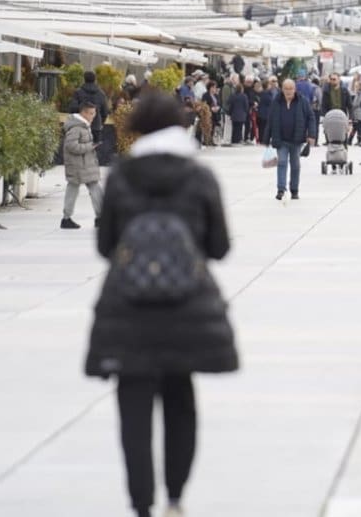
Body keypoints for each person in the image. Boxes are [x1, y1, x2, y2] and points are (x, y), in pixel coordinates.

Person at [83, 89, 238, 517]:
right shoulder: (199, 177)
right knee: (180, 403)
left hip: (129, 312)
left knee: (133, 412)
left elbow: (105, 246)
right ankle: (175, 498)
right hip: (185, 310)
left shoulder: (123, 177)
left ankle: (141, 504)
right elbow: (220, 247)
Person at [62, 101, 105, 230]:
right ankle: (67, 219)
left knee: (91, 189)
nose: (93, 116)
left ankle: (99, 218)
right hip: (78, 166)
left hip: (84, 165)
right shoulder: (76, 128)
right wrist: (90, 146)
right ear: (84, 113)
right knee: (78, 190)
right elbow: (71, 146)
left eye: (94, 113)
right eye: (91, 113)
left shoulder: (84, 126)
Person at [269, 78, 313, 201]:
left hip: (296, 140)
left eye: (291, 88)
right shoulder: (277, 101)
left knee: (295, 165)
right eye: (286, 89)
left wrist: (311, 135)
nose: (288, 91)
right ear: (282, 89)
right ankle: (281, 189)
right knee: (282, 162)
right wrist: (266, 137)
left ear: (295, 89)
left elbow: (311, 117)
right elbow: (271, 119)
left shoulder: (302, 101)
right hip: (281, 139)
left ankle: (294, 190)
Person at [72, 71, 111, 142]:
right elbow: (105, 112)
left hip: (80, 125)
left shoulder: (78, 92)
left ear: (84, 79)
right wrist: (101, 123)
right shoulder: (101, 94)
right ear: (95, 79)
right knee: (94, 147)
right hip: (96, 126)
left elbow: (73, 108)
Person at [226, 79, 250, 146]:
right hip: (242, 114)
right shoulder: (244, 96)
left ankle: (233, 140)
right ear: (241, 89)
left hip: (234, 114)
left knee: (234, 127)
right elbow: (246, 106)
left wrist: (230, 111)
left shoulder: (233, 95)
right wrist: (246, 112)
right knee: (240, 128)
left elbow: (228, 102)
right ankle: (238, 140)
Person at [256, 76, 279, 145]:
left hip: (268, 113)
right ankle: (263, 140)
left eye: (275, 81)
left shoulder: (277, 91)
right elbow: (270, 101)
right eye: (272, 82)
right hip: (265, 113)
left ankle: (265, 139)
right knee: (263, 127)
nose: (273, 84)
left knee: (265, 127)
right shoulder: (265, 93)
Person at [349, 75, 361, 145]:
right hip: (356, 114)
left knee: (358, 128)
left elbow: (357, 103)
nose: (355, 88)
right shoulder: (358, 93)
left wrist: (352, 106)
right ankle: (350, 140)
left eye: (356, 86)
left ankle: (358, 140)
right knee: (355, 127)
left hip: (359, 114)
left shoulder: (360, 94)